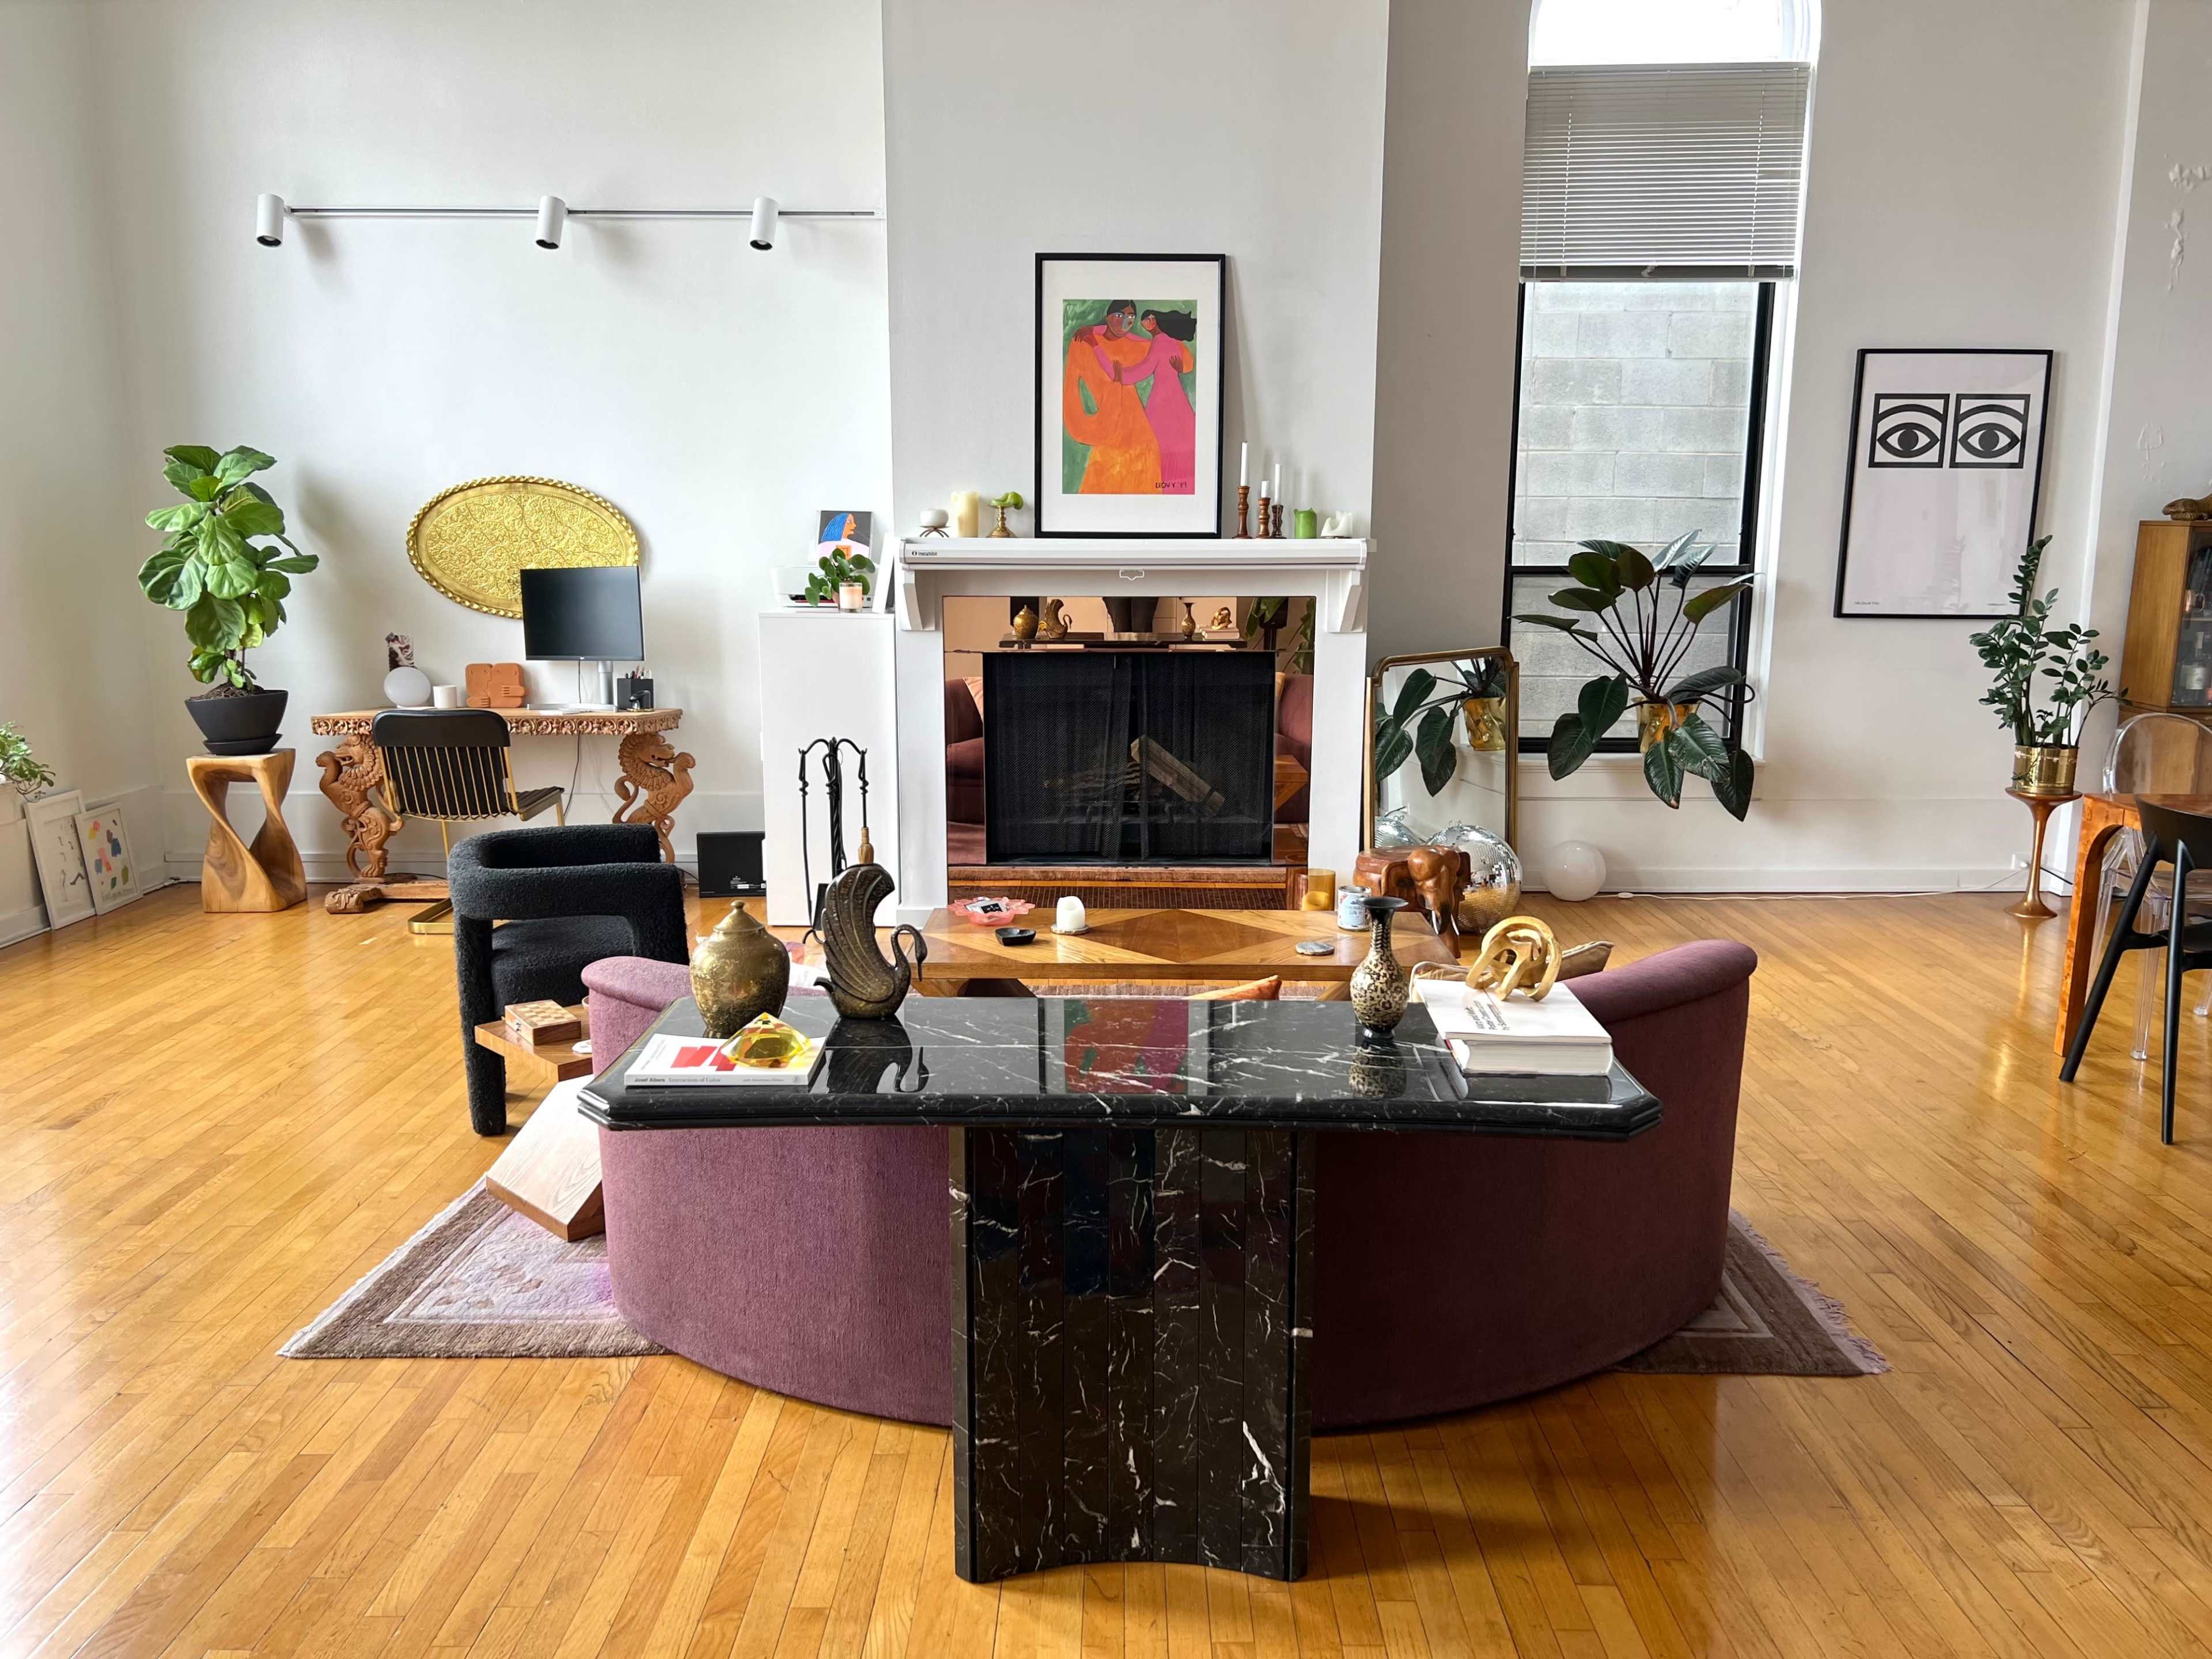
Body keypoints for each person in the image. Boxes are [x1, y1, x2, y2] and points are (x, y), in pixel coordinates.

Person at [1062, 301, 1160, 495]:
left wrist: (1095, 332)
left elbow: (1177, 355)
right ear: (1108, 317)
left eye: (1131, 318)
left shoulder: (1134, 345)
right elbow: (1072, 392)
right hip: (1110, 435)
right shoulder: (1082, 344)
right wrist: (1095, 335)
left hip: (1140, 435)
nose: (1126, 324)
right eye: (1120, 317)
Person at [1109, 308, 1197, 495]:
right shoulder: (1171, 341)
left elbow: (1146, 368)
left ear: (1155, 321)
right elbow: (1183, 363)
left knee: (1158, 443)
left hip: (1163, 399)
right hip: (1176, 396)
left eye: (1147, 319)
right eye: (1143, 321)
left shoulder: (1160, 342)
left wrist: (1121, 376)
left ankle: (1162, 488)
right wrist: (1181, 368)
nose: (1144, 323)